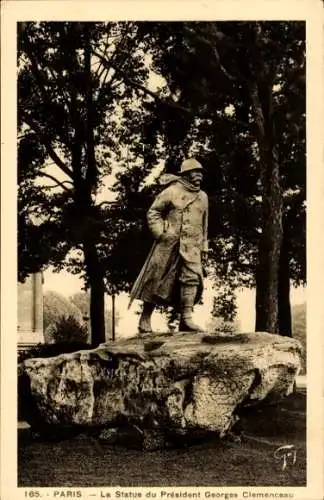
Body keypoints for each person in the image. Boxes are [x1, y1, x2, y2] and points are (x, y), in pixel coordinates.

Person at [129, 158, 209, 333]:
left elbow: (204, 223)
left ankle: (186, 318)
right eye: (195, 172)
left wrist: (204, 245)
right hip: (169, 244)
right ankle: (145, 319)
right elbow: (154, 212)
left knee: (191, 278)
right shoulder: (171, 191)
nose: (199, 175)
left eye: (201, 172)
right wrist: (160, 233)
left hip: (192, 246)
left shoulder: (203, 197)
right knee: (155, 279)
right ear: (186, 174)